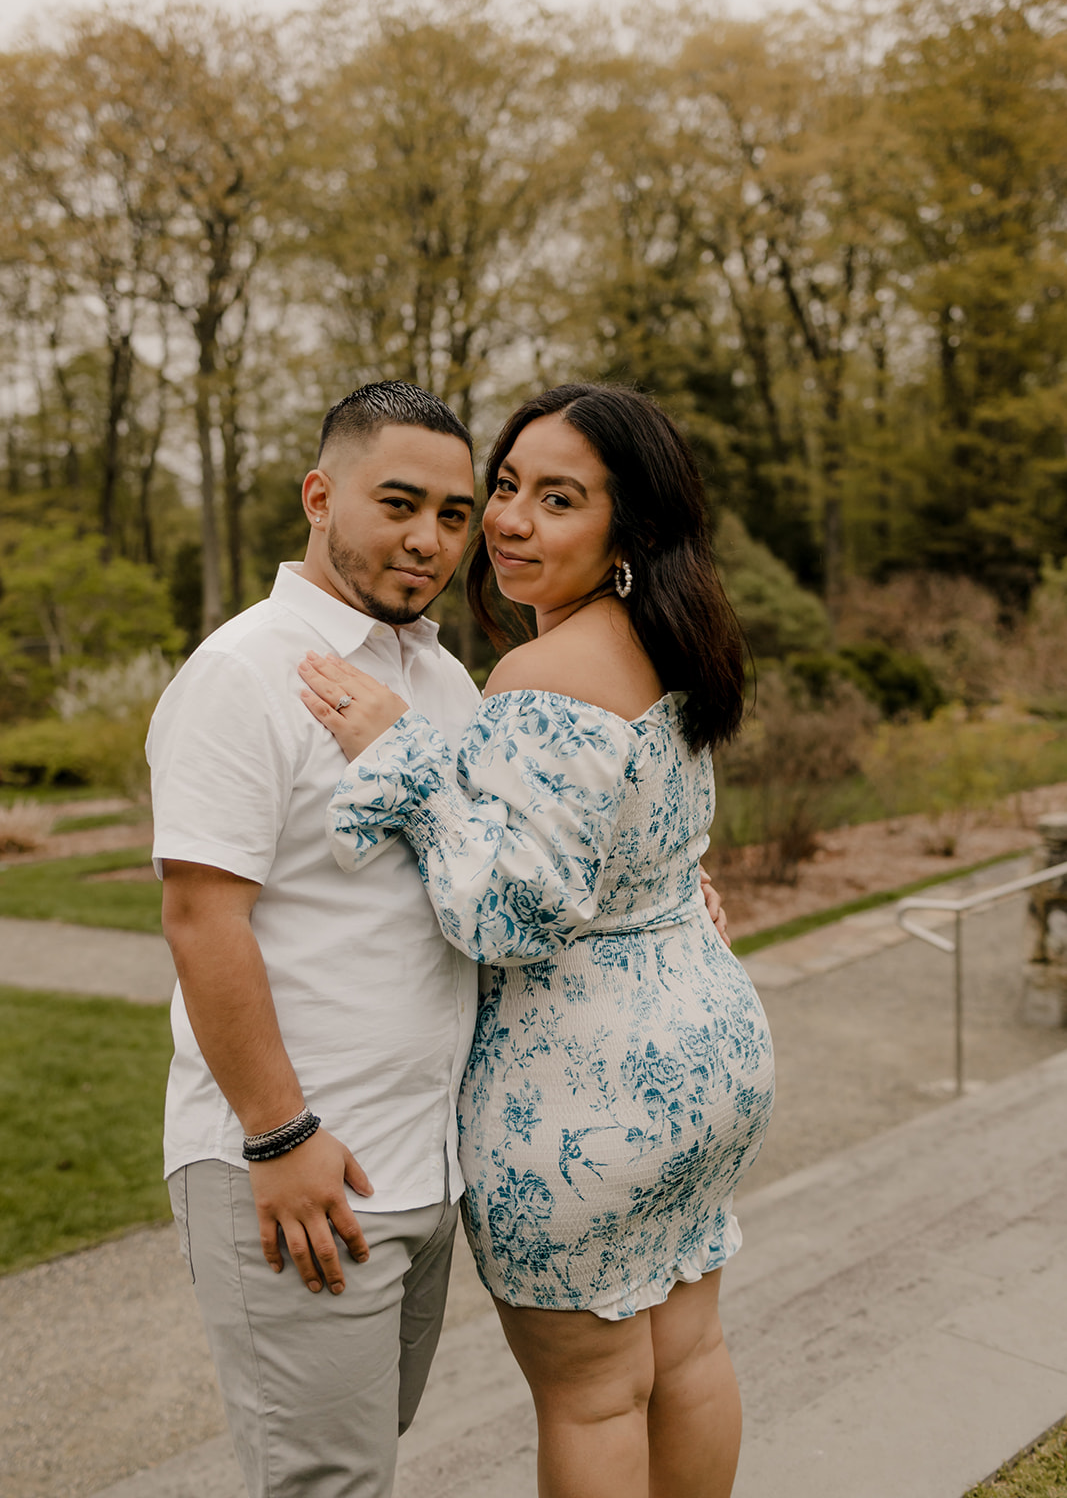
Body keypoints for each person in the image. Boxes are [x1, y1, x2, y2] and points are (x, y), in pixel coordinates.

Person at [298, 382, 775, 1498]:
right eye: (504, 487)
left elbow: (503, 915)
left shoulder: (537, 676)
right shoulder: (668, 644)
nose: (509, 521)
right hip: (708, 1057)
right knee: (691, 1350)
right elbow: (644, 841)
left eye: (556, 498)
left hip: (582, 1095)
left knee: (594, 1394)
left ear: (630, 529)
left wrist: (400, 751)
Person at [147, 381, 484, 1498]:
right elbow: (203, 918)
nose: (428, 539)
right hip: (295, 1164)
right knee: (325, 1485)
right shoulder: (240, 673)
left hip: (419, 1168)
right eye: (399, 503)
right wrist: (278, 1134)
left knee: (350, 1472)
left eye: (453, 514)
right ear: (318, 494)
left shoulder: (443, 679)